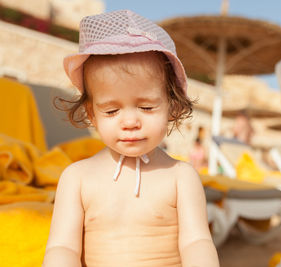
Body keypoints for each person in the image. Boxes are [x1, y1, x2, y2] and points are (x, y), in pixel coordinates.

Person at [43, 10, 219, 267]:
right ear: (92, 114)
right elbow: (62, 247)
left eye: (146, 108)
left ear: (172, 106)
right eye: (112, 111)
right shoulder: (77, 178)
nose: (130, 122)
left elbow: (197, 242)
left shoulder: (181, 176)